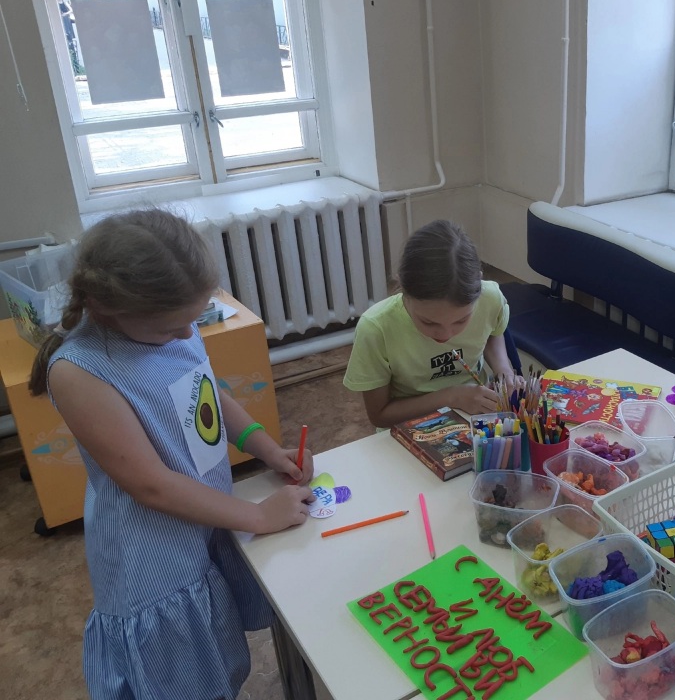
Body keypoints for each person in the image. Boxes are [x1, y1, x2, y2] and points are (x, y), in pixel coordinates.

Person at [27, 208, 315, 700]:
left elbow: (206, 392)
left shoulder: (172, 323)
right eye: (170, 328)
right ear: (104, 307)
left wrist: (267, 449)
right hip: (151, 557)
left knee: (215, 660)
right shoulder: (78, 371)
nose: (186, 335)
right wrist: (257, 517)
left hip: (202, 518)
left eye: (191, 321)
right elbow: (150, 485)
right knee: (178, 678)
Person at [343, 219, 517, 428]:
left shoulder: (490, 298)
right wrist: (452, 397)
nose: (445, 335)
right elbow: (380, 415)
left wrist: (503, 370)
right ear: (402, 288)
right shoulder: (375, 328)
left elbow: (492, 332)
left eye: (461, 320)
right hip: (410, 426)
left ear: (478, 285)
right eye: (428, 322)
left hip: (477, 414)